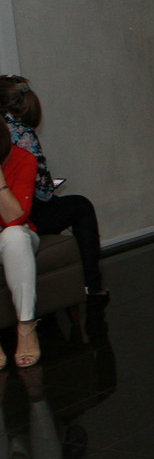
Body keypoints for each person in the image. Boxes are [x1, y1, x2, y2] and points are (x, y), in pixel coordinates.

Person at [0, 76, 108, 308]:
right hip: (21, 215)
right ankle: (92, 285)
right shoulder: (23, 133)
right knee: (81, 206)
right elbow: (43, 193)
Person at [0, 127, 42, 368]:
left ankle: (26, 327)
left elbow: (15, 218)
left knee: (14, 235)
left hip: (20, 234)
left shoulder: (23, 159)